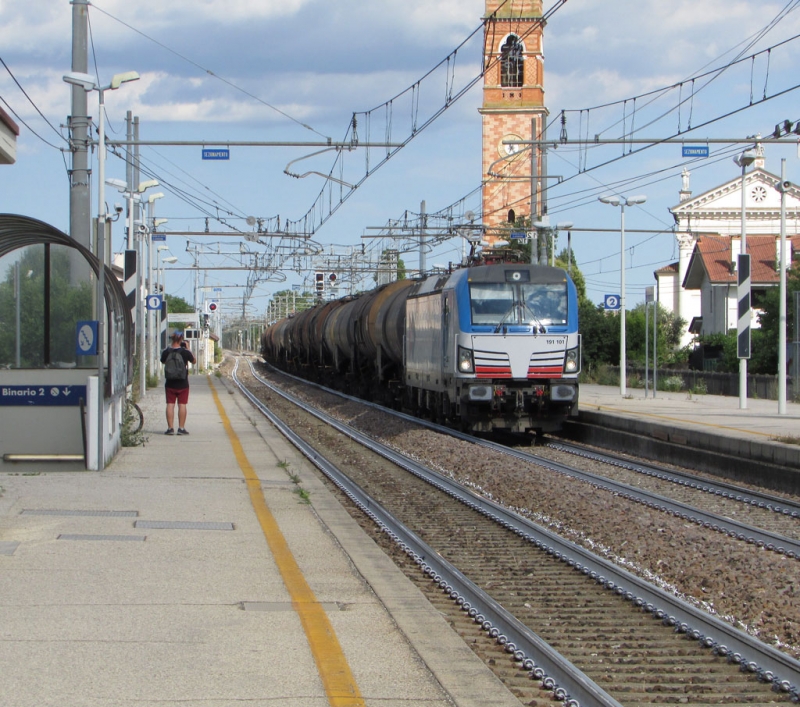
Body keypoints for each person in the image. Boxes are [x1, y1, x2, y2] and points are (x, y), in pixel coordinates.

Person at [160, 330, 196, 436]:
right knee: (182, 405)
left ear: (172, 339)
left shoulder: (166, 352)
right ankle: (181, 428)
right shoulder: (185, 352)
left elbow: (163, 361)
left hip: (170, 383)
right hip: (183, 383)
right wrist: (188, 349)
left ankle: (170, 428)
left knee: (170, 405)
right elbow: (194, 361)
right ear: (181, 340)